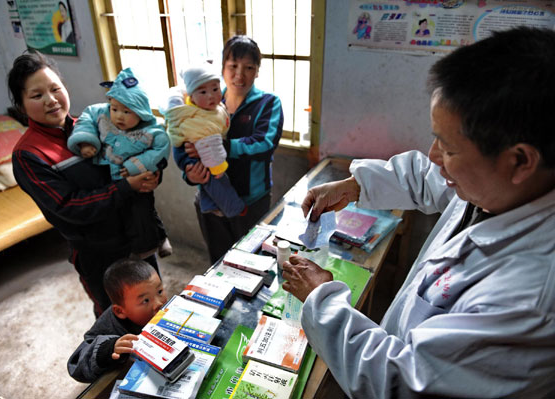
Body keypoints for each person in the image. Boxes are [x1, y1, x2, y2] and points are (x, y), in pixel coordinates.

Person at [282, 27, 555, 398]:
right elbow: (427, 178)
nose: (433, 155)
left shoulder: (528, 300)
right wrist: (353, 185)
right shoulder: (506, 184)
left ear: (519, 160)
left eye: (448, 147)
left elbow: (401, 384)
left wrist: (321, 299)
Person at [9, 52, 161, 317]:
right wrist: (127, 187)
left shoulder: (93, 126)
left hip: (136, 235)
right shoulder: (29, 155)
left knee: (154, 308)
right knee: (117, 321)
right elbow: (70, 207)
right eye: (37, 95)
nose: (52, 100)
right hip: (99, 253)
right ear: (21, 106)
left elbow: (134, 150)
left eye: (56, 88)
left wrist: (152, 172)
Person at [181, 35, 284, 264]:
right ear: (222, 68)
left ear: (257, 71)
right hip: (210, 198)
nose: (239, 75)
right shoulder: (205, 101)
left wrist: (220, 147)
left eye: (249, 67)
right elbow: (186, 142)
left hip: (251, 202)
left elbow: (264, 146)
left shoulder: (268, 103)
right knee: (219, 263)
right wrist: (189, 173)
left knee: (251, 263)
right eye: (233, 66)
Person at [67, 67, 172, 259]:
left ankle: (147, 247)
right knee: (129, 214)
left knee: (143, 211)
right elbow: (85, 119)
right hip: (109, 180)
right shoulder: (100, 114)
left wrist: (135, 166)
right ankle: (158, 238)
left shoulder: (151, 131)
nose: (119, 116)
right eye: (115, 109)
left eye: (127, 111)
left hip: (136, 177)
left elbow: (160, 150)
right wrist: (86, 141)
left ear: (140, 112)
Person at [162, 62, 246, 218]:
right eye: (203, 92)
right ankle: (234, 207)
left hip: (203, 149)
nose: (211, 95)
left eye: (215, 89)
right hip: (189, 152)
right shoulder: (198, 119)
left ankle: (209, 205)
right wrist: (218, 168)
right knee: (215, 178)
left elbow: (263, 143)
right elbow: (210, 149)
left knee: (207, 178)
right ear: (191, 97)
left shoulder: (211, 108)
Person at [67, 258, 168, 383]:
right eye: (145, 300)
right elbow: (76, 366)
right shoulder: (108, 326)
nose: (158, 303)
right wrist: (109, 349)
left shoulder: (163, 310)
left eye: (160, 291)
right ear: (120, 311)